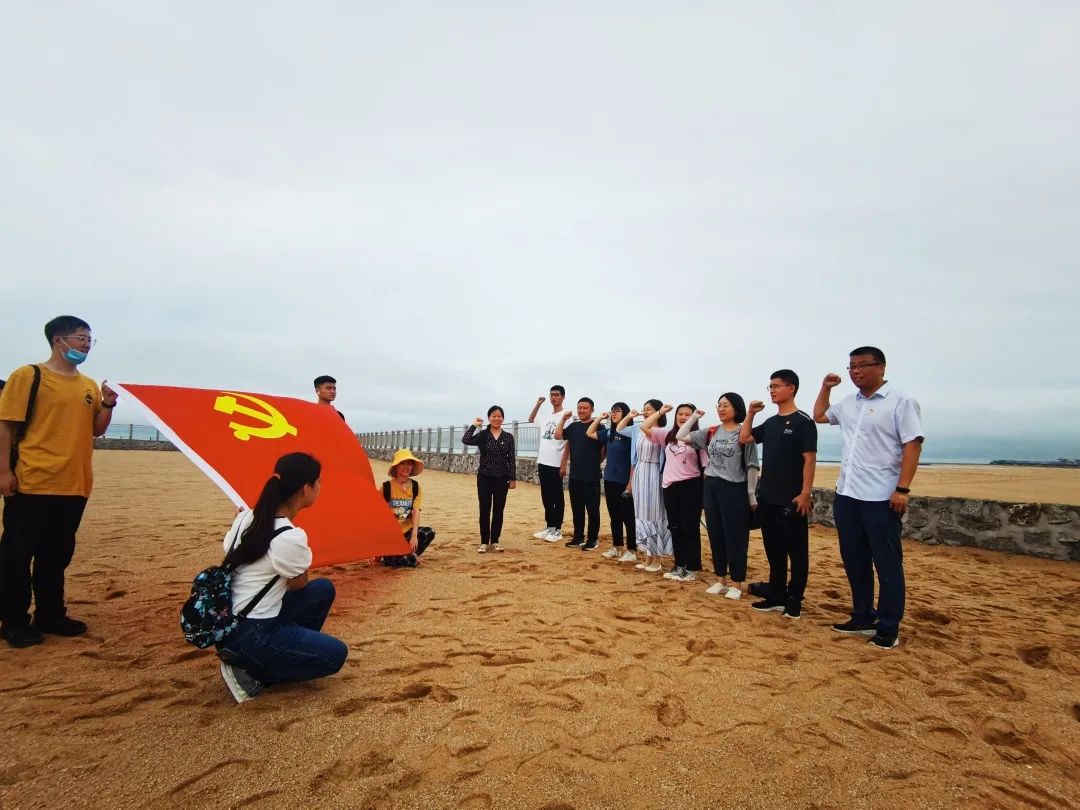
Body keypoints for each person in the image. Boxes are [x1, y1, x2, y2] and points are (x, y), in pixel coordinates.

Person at [0, 316, 117, 648]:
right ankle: (14, 621)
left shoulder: (88, 385)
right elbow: (6, 425)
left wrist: (108, 403)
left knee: (56, 555)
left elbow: (96, 429)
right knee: (17, 554)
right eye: (81, 338)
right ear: (58, 340)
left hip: (74, 483)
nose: (86, 345)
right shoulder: (28, 376)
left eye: (90, 340)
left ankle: (51, 615)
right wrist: (4, 471)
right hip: (33, 480)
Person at [814, 347, 924, 650]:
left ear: (881, 367)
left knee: (887, 565)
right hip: (847, 494)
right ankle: (862, 615)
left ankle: (888, 627)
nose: (856, 371)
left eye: (863, 365)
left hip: (881, 497)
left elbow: (913, 444)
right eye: (851, 366)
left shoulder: (901, 401)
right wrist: (825, 388)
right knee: (855, 561)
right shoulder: (849, 403)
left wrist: (903, 489)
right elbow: (819, 415)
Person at [215, 452, 348, 703]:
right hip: (254, 631)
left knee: (322, 589)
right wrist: (296, 556)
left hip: (228, 622)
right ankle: (251, 672)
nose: (320, 487)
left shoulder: (245, 517)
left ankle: (278, 652)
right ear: (305, 489)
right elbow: (298, 583)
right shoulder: (289, 536)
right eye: (318, 482)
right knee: (335, 656)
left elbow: (231, 550)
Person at [740, 370, 817, 620]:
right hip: (768, 497)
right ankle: (776, 595)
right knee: (774, 550)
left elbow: (809, 459)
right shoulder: (771, 423)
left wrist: (805, 493)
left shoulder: (803, 422)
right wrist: (751, 413)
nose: (772, 390)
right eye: (770, 387)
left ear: (791, 388)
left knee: (797, 552)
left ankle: (794, 601)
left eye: (776, 386)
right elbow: (745, 437)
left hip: (792, 499)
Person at [678, 393, 760, 599]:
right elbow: (681, 435)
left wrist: (751, 494)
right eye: (719, 405)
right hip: (711, 486)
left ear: (736, 409)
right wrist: (694, 417)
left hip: (734, 488)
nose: (721, 409)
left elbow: (752, 465)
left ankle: (736, 583)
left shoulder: (744, 433)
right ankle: (720, 579)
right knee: (715, 534)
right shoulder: (711, 431)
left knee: (736, 537)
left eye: (726, 405)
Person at [640, 403, 706, 582]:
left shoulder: (698, 437)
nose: (683, 417)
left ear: (694, 417)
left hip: (690, 485)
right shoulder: (667, 434)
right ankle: (679, 564)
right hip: (669, 485)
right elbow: (644, 426)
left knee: (690, 527)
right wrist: (660, 412)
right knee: (675, 527)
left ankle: (691, 567)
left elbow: (705, 466)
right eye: (680, 414)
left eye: (687, 414)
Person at [615, 400, 672, 573]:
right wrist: (629, 415)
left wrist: (660, 413)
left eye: (649, 409)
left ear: (659, 412)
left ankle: (657, 559)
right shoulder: (637, 430)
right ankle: (648, 558)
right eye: (644, 409)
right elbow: (619, 428)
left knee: (655, 515)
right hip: (640, 472)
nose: (645, 412)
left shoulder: (663, 431)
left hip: (655, 472)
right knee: (642, 515)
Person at [462, 406, 517, 552]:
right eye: (494, 416)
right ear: (489, 418)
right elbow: (466, 440)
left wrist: (513, 478)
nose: (496, 419)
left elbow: (511, 459)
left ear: (503, 418)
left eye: (499, 416)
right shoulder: (483, 435)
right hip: (484, 477)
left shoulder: (508, 437)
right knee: (484, 509)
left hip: (502, 479)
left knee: (498, 510)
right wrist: (474, 425)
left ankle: (495, 541)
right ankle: (484, 542)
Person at [555, 398, 607, 551]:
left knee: (592, 510)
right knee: (577, 509)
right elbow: (558, 435)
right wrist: (563, 419)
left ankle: (592, 539)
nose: (582, 410)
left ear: (592, 410)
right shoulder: (574, 426)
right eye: (579, 408)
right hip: (575, 475)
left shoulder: (599, 426)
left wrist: (595, 462)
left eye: (585, 408)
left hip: (591, 476)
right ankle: (578, 537)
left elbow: (604, 450)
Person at [590, 402, 637, 562]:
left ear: (625, 413)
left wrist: (630, 483)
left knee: (628, 517)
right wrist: (600, 418)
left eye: (617, 411)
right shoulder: (609, 432)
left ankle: (631, 550)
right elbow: (590, 433)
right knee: (614, 516)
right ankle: (617, 547)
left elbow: (634, 460)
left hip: (625, 481)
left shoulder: (630, 433)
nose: (614, 413)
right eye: (612, 411)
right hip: (610, 479)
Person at [527, 386, 571, 542]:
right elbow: (531, 419)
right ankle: (549, 526)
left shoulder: (567, 416)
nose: (554, 398)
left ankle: (558, 529)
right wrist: (538, 404)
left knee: (557, 496)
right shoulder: (545, 416)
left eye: (557, 395)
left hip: (556, 462)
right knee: (546, 496)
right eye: (552, 395)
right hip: (543, 460)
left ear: (563, 397)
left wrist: (563, 463)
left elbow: (568, 441)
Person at [379, 449, 435, 567]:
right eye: (402, 463)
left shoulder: (416, 487)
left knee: (429, 532)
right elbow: (378, 515)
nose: (406, 467)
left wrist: (414, 536)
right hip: (391, 535)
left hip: (407, 533)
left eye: (409, 463)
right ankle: (401, 556)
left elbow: (416, 511)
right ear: (396, 467)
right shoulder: (386, 487)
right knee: (410, 562)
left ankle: (409, 553)